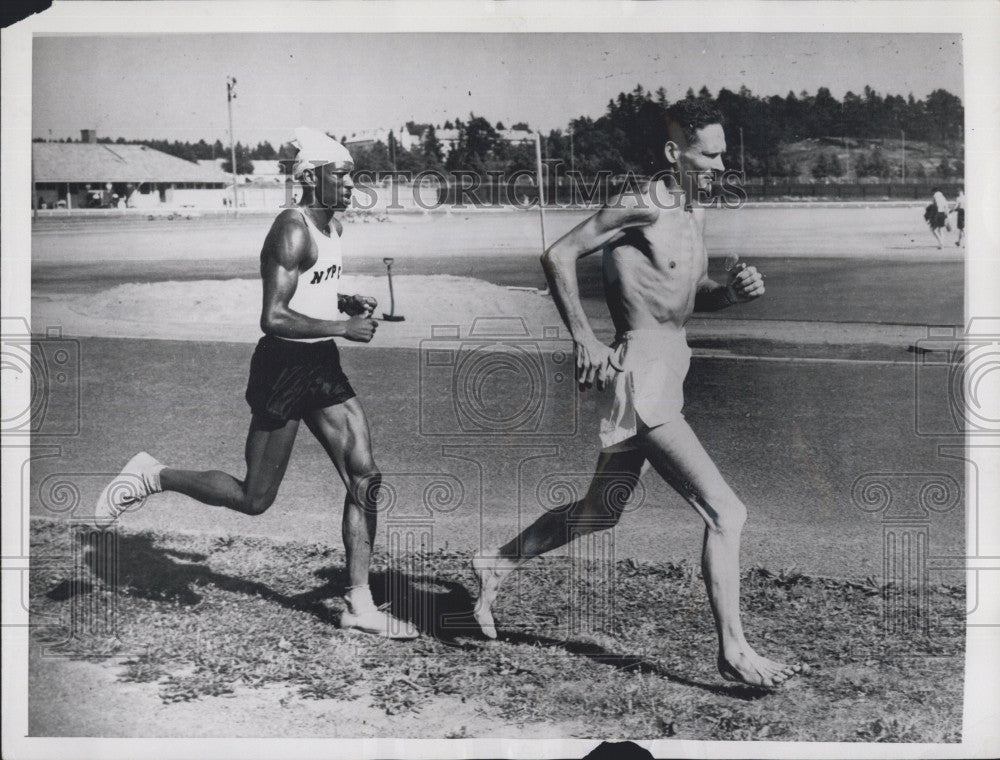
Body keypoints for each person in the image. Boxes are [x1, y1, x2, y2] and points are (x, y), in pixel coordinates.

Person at [470, 100, 801, 688]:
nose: (723, 165)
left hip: (668, 367)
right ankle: (733, 649)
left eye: (725, 154)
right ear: (677, 154)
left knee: (600, 511)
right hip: (642, 375)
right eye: (711, 154)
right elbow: (558, 253)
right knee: (727, 512)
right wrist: (583, 339)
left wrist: (732, 293)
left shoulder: (693, 210)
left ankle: (496, 561)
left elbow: (688, 293)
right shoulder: (641, 203)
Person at [94, 127, 418, 640]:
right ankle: (153, 475)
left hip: (321, 364)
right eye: (344, 174)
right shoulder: (291, 229)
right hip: (283, 367)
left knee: (366, 478)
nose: (354, 182)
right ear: (311, 177)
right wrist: (343, 327)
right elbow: (273, 317)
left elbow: (311, 291)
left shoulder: (332, 225)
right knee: (254, 498)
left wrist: (345, 302)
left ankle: (359, 602)